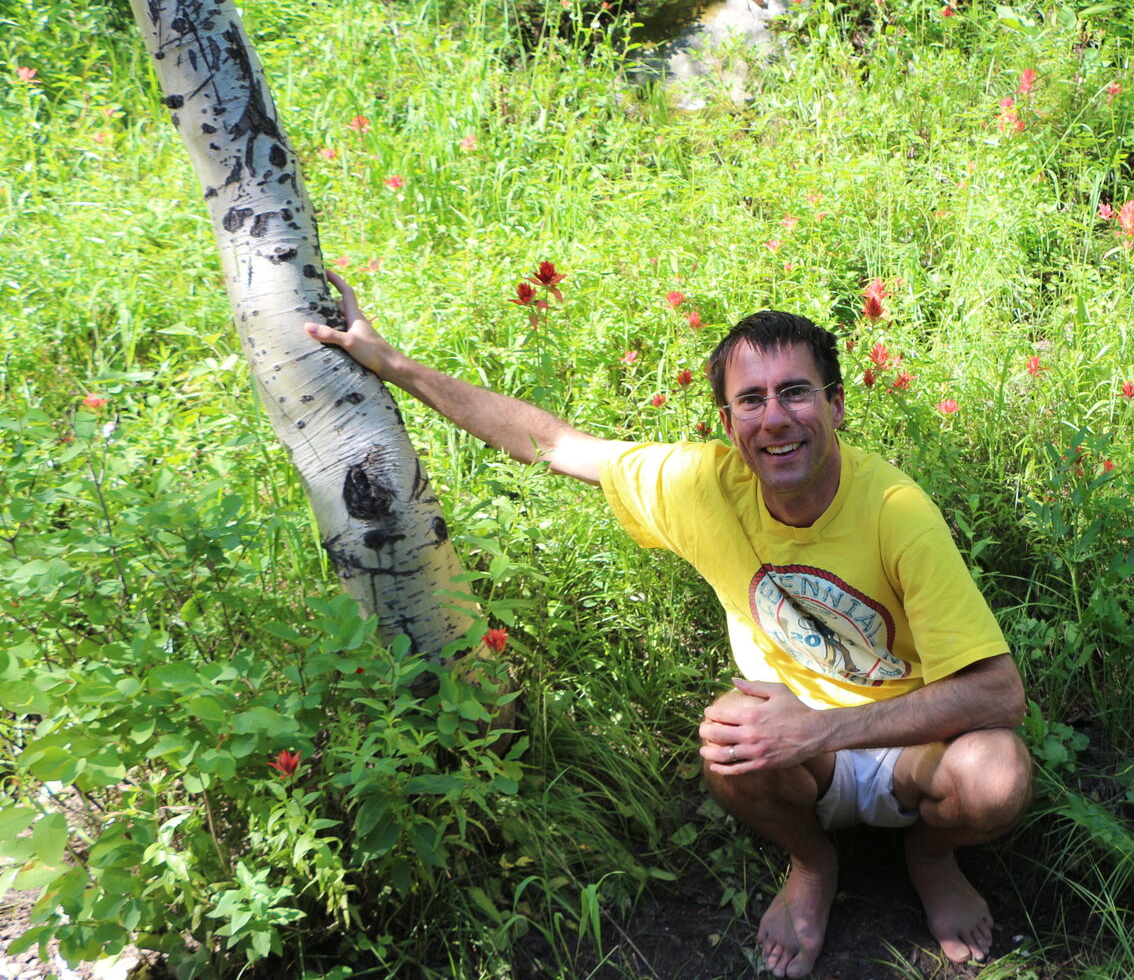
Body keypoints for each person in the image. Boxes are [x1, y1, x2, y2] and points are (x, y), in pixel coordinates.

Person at [306, 272, 1034, 978]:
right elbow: (554, 444)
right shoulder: (699, 485)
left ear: (837, 405)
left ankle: (930, 856)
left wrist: (826, 728)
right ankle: (813, 862)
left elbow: (1000, 696)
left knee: (996, 776)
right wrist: (390, 363)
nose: (774, 417)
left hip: (909, 745)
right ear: (727, 422)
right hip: (793, 746)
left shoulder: (896, 514)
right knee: (724, 737)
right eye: (751, 400)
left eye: (795, 393)